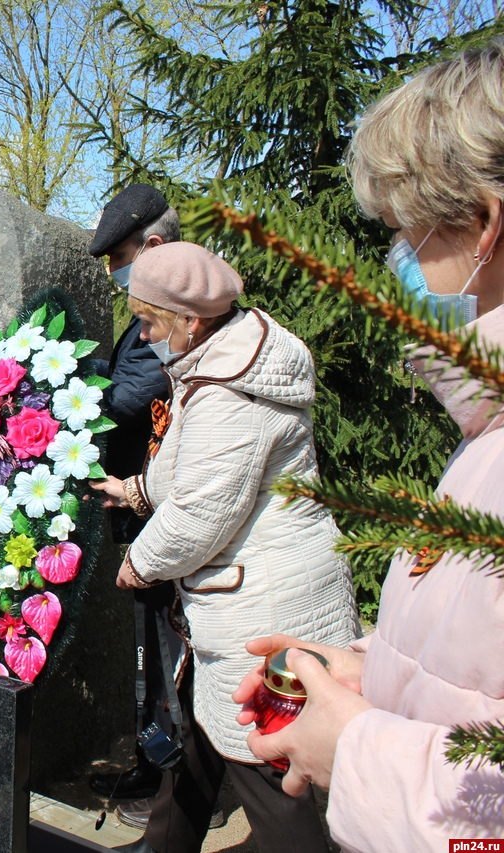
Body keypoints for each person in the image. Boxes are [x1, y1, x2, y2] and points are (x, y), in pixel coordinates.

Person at [233, 39, 504, 850]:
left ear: (484, 223)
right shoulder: (485, 431)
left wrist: (352, 746)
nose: (397, 261)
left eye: (406, 231)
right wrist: (365, 673)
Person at [90, 242, 359, 853]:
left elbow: (202, 512)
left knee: (263, 762)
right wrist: (134, 490)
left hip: (265, 610)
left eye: (153, 323)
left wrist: (140, 562)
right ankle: (166, 843)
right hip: (239, 603)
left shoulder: (232, 392)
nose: (149, 335)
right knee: (197, 733)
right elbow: (189, 463)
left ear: (189, 320)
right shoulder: (221, 359)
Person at [85, 185, 185, 809]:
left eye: (119, 258)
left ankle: (171, 770)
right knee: (156, 641)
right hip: (144, 505)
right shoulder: (161, 303)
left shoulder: (174, 311)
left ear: (151, 247)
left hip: (161, 510)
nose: (116, 273)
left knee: (170, 651)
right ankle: (162, 762)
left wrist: (61, 383)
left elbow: (129, 399)